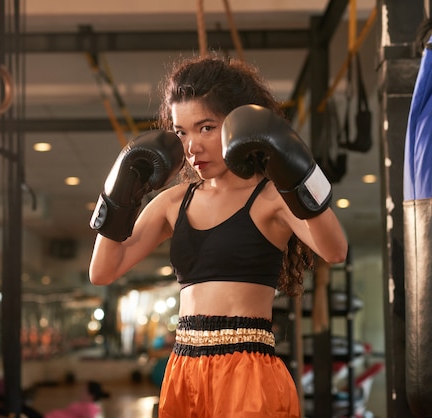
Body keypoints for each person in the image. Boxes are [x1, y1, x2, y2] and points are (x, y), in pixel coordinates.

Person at [88, 55, 348, 417]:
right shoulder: (174, 202)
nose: (192, 146)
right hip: (183, 371)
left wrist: (298, 176)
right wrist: (117, 200)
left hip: (248, 372)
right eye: (181, 131)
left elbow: (335, 250)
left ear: (240, 123)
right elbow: (102, 272)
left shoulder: (270, 197)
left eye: (206, 127)